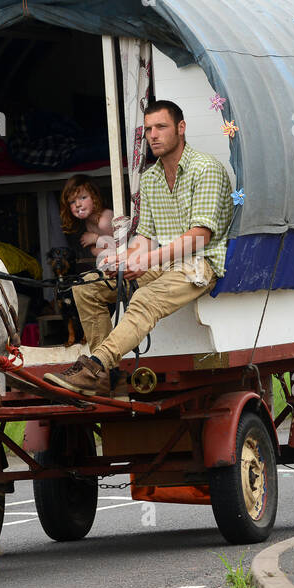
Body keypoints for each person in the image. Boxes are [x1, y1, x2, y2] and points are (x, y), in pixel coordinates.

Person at [44, 100, 232, 396]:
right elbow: (145, 235)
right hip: (163, 263)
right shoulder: (150, 177)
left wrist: (145, 260)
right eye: (148, 129)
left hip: (199, 264)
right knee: (86, 286)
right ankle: (106, 378)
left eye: (161, 127)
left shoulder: (206, 168)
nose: (153, 135)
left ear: (181, 129)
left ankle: (96, 366)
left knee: (144, 298)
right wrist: (124, 257)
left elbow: (199, 237)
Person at [59, 174, 115, 268]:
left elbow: (121, 247)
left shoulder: (104, 220)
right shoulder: (88, 221)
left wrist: (96, 239)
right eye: (72, 202)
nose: (77, 204)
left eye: (83, 198)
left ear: (95, 197)